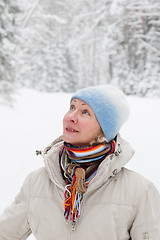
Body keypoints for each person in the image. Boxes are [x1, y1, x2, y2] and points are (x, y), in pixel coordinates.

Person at [0, 84, 160, 240]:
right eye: (72, 107)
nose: (71, 117)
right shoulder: (36, 183)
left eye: (85, 112)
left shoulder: (140, 191)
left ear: (104, 129)